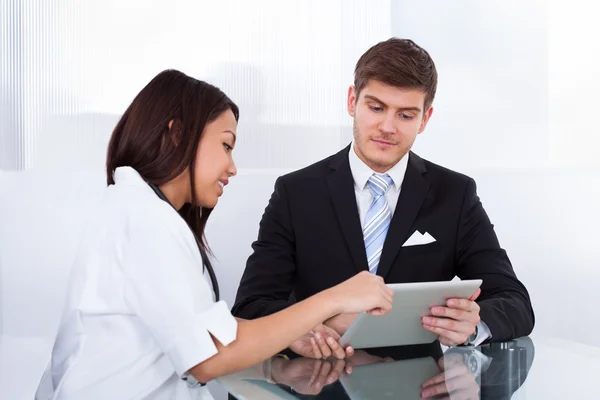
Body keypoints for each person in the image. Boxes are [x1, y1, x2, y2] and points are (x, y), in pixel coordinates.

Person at [34, 69, 394, 400]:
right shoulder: (144, 219)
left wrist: (283, 347)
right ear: (177, 135)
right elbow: (207, 356)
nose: (232, 168)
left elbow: (198, 329)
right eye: (226, 145)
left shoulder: (141, 212)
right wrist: (336, 298)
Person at [232, 38, 535, 354]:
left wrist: (475, 324)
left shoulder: (455, 194)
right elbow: (251, 307)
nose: (387, 127)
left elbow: (514, 301)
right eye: (376, 108)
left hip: (419, 386)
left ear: (425, 119)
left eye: (405, 115)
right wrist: (300, 330)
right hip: (317, 380)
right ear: (352, 101)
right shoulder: (296, 193)